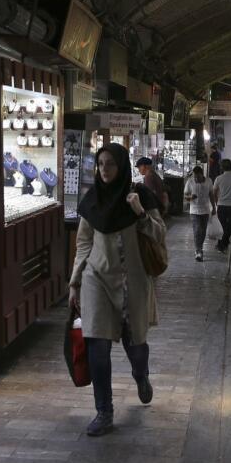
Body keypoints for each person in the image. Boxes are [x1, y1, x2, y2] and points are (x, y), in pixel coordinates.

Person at [69, 143, 168, 437]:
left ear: (122, 166)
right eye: (100, 164)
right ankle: (104, 411)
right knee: (97, 346)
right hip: (97, 278)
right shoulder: (92, 200)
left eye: (110, 164)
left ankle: (141, 374)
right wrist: (75, 281)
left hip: (132, 280)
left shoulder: (141, 196)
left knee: (134, 344)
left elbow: (160, 233)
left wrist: (139, 212)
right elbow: (84, 242)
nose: (104, 170)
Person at [184, 164, 212, 262]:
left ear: (202, 174)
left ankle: (199, 248)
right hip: (194, 211)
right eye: (195, 176)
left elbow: (211, 194)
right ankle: (198, 251)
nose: (196, 178)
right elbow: (185, 195)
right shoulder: (190, 182)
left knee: (203, 231)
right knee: (197, 230)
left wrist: (214, 207)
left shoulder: (209, 181)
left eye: (198, 176)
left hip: (205, 210)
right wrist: (190, 198)